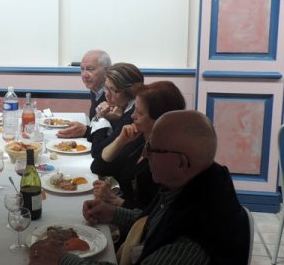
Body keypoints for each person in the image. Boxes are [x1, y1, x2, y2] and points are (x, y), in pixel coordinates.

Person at [28, 110, 250, 265]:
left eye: (152, 149)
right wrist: (115, 214)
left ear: (181, 162)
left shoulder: (199, 232)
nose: (145, 153)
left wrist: (64, 262)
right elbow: (160, 224)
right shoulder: (194, 185)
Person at [93, 81, 186, 211]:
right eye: (134, 109)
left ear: (161, 119)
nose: (132, 116)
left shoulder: (166, 159)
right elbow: (98, 167)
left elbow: (152, 214)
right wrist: (120, 141)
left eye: (140, 113)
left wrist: (114, 200)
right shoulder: (139, 139)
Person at [90, 63, 143, 174]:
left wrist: (102, 119)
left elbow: (97, 152)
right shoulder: (123, 108)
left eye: (112, 90)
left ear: (129, 92)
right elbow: (99, 138)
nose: (107, 95)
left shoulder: (131, 117)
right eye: (106, 88)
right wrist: (87, 129)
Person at [56, 49, 111, 140]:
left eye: (90, 69)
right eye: (82, 69)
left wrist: (86, 131)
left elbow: (109, 135)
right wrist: (87, 129)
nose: (84, 75)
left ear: (106, 71)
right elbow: (96, 122)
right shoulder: (96, 89)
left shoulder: (113, 95)